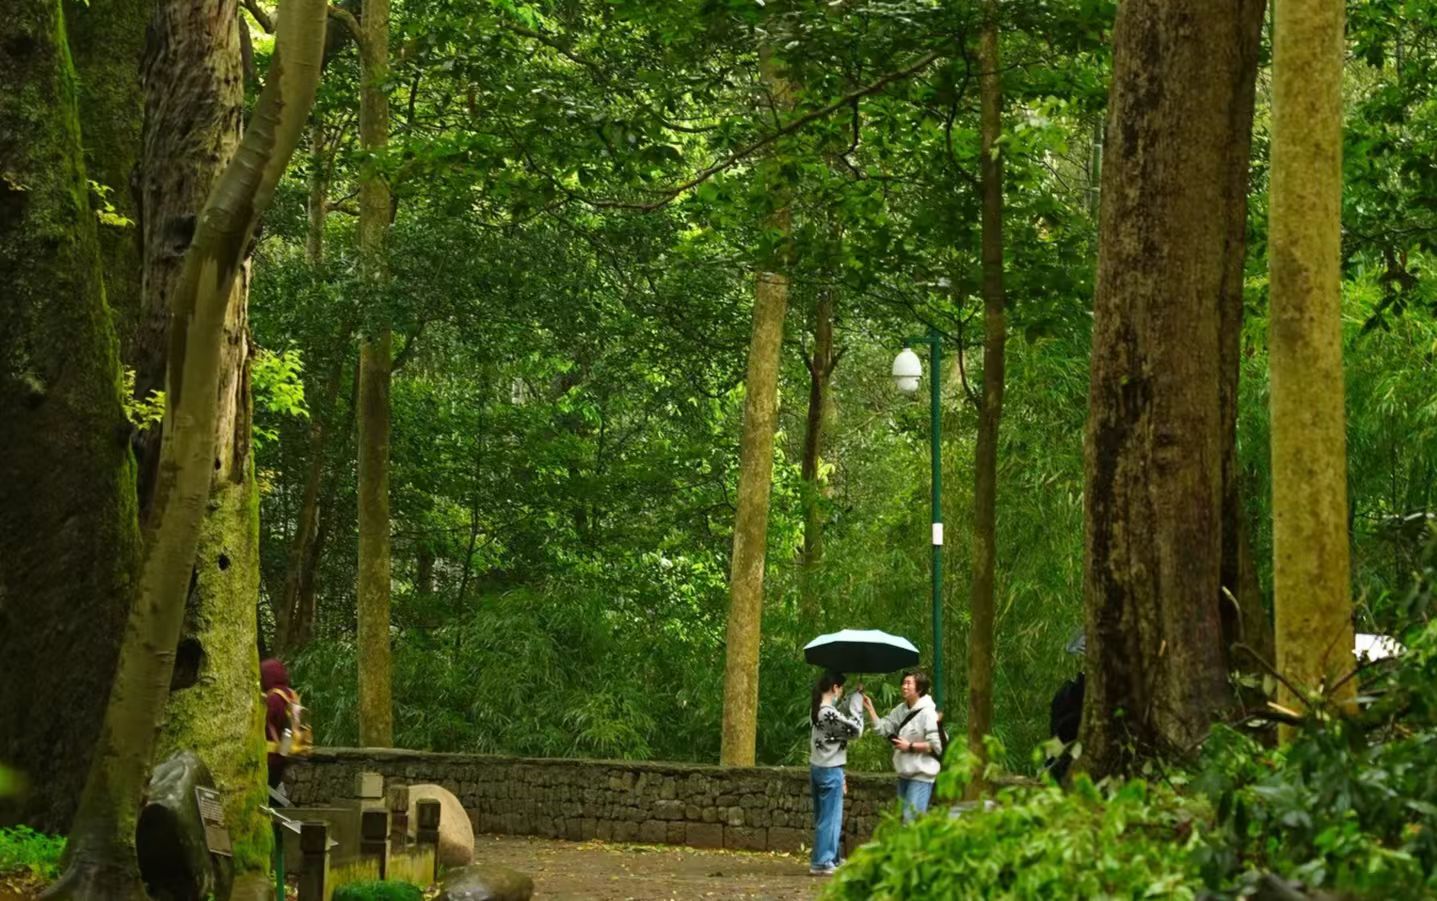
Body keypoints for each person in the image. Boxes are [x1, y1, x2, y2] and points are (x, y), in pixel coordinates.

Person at [864, 670, 942, 822]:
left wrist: (910, 746)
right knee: (904, 822)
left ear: (919, 688)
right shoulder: (900, 710)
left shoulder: (928, 713)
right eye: (903, 683)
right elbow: (883, 729)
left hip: (921, 775)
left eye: (908, 683)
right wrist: (870, 709)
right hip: (904, 774)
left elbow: (936, 745)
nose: (904, 687)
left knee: (910, 821)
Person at [809, 670, 863, 876]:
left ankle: (831, 858)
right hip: (830, 770)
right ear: (835, 688)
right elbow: (855, 730)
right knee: (830, 819)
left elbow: (837, 713)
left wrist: (854, 695)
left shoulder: (819, 709)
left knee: (825, 817)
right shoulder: (826, 713)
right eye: (841, 689)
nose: (842, 693)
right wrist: (857, 704)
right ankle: (822, 862)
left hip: (820, 767)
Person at [261, 658, 299, 798]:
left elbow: (265, 723)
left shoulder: (273, 698)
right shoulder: (291, 694)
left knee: (268, 791)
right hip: (287, 750)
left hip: (272, 754)